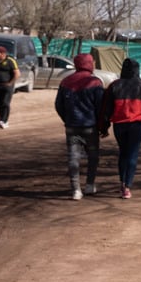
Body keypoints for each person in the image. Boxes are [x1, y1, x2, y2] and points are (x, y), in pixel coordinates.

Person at [55, 53, 107, 200]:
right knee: (93, 155)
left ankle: (75, 190)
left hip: (72, 127)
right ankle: (90, 185)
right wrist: (103, 126)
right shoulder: (95, 82)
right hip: (90, 127)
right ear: (90, 64)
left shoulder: (65, 82)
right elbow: (101, 107)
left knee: (73, 157)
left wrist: (67, 118)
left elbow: (58, 105)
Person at [101, 58, 141, 199]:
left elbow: (106, 109)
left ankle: (122, 182)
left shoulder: (114, 85)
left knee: (123, 153)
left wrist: (105, 126)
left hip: (119, 125)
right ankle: (127, 187)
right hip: (137, 125)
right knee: (132, 153)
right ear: (137, 70)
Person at [0, 45, 19, 128]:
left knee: (5, 103)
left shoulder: (10, 61)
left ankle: (4, 121)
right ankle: (2, 119)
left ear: (2, 53)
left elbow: (17, 73)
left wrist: (10, 83)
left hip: (7, 86)